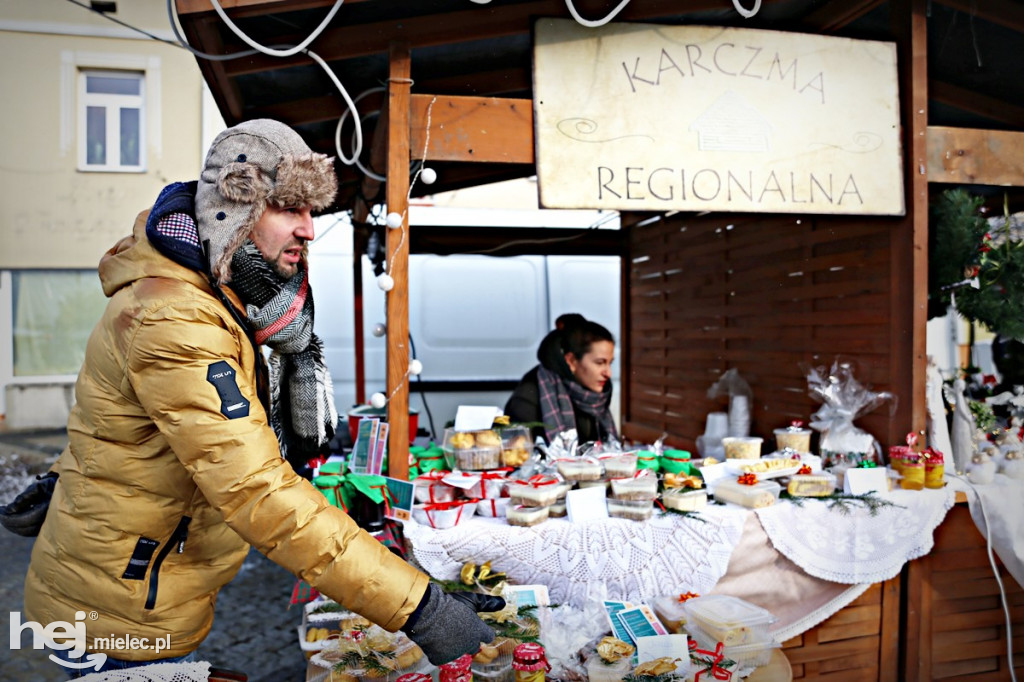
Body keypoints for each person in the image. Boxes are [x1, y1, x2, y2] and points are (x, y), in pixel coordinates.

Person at [21, 119, 501, 676]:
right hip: (118, 606)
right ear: (233, 210)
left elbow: (135, 430)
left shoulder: (228, 295)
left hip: (144, 578)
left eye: (311, 211)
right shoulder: (178, 315)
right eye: (287, 208)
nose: (308, 230)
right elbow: (256, 489)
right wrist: (419, 608)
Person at [505, 315, 618, 444]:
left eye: (610, 363)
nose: (608, 373)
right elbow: (515, 452)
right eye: (599, 363)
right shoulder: (529, 396)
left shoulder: (596, 395)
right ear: (571, 361)